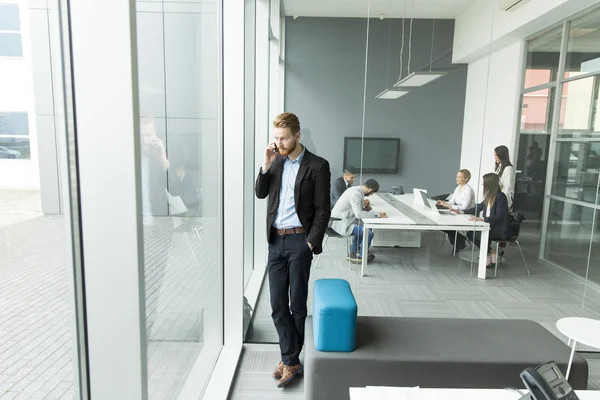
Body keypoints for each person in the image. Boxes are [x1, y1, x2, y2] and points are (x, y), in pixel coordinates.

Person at [255, 112, 330, 388]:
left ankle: (290, 359)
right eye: (276, 138)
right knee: (277, 305)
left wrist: (310, 243)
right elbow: (260, 193)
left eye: (284, 138)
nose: (279, 143)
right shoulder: (275, 162)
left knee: (296, 304)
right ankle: (290, 358)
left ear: (297, 136)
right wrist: (265, 165)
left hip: (300, 242)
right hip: (276, 241)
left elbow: (323, 210)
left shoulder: (317, 166)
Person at [455, 173, 512, 268]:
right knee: (471, 234)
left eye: (484, 183)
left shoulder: (501, 197)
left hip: (498, 229)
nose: (483, 185)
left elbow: (499, 216)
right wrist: (461, 211)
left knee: (473, 234)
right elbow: (479, 207)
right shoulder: (490, 195)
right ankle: (491, 253)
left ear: (490, 184)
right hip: (489, 226)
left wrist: (482, 219)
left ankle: (489, 254)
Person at [330, 179, 388, 262]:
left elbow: (357, 210)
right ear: (370, 190)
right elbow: (359, 214)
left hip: (344, 219)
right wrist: (378, 214)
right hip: (340, 223)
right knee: (368, 233)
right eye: (372, 193)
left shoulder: (355, 190)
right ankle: (362, 257)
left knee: (365, 226)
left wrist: (365, 208)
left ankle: (354, 251)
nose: (371, 195)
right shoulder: (356, 194)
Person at [437, 169, 475, 253]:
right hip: (457, 213)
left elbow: (465, 207)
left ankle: (459, 241)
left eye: (459, 177)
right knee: (443, 224)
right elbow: (451, 202)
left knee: (448, 225)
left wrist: (449, 206)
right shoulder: (458, 188)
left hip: (466, 214)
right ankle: (460, 240)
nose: (456, 179)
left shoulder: (468, 190)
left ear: (466, 178)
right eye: (456, 177)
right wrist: (444, 203)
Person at [494, 145, 516, 211]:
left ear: (501, 155)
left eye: (496, 155)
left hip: (503, 203)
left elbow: (508, 189)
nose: (495, 158)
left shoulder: (508, 169)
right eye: (494, 155)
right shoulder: (499, 167)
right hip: (497, 200)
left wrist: (507, 206)